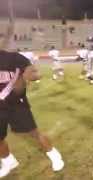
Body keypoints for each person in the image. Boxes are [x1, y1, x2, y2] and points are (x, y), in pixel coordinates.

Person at [0, 50, 64, 178]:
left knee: (34, 133)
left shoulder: (14, 57)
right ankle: (9, 162)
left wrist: (26, 77)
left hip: (17, 104)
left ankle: (54, 155)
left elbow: (36, 74)